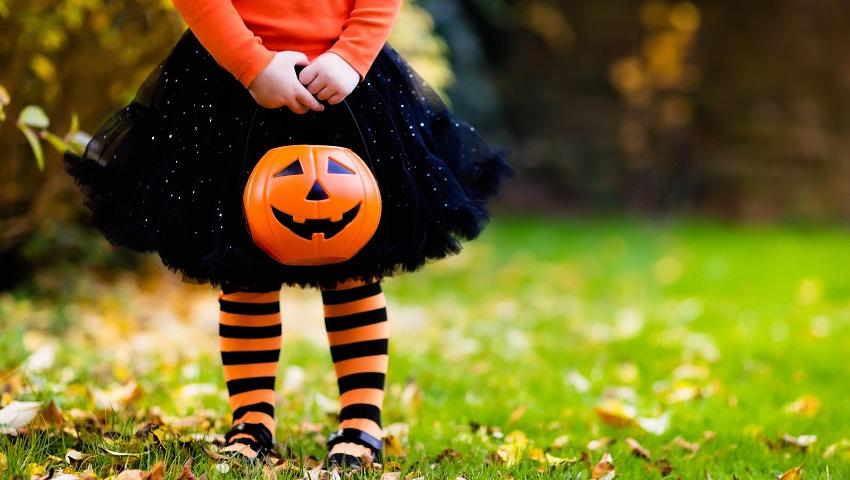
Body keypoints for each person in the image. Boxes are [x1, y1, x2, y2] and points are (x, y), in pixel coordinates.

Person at [63, 0, 512, 469]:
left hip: (344, 83)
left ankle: (362, 422)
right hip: (230, 87)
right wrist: (251, 65)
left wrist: (351, 57)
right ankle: (251, 421)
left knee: (353, 265)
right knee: (243, 267)